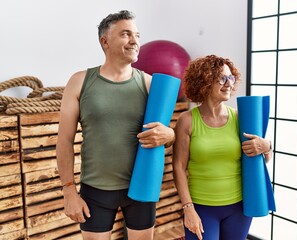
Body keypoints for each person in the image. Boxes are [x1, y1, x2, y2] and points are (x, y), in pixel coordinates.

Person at [56, 10, 175, 240]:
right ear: (105, 41)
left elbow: (170, 135)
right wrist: (69, 191)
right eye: (126, 34)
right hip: (96, 190)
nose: (135, 41)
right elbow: (64, 141)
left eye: (137, 35)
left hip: (141, 187)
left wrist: (169, 134)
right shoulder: (80, 81)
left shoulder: (149, 84)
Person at [172, 55, 273, 240]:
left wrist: (266, 146)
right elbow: (178, 167)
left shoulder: (239, 117)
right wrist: (188, 208)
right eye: (221, 78)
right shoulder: (186, 121)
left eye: (230, 78)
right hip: (201, 207)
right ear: (204, 82)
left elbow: (261, 158)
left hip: (238, 208)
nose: (228, 83)